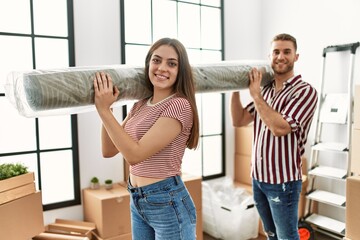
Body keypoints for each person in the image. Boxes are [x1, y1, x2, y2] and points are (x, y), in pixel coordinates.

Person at [93, 38, 200, 240]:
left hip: (168, 202)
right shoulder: (140, 105)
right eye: (156, 60)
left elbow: (135, 154)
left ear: (180, 70)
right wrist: (108, 108)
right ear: (148, 63)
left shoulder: (179, 106)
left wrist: (104, 111)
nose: (162, 68)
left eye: (172, 63)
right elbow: (108, 150)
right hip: (138, 199)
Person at [230, 33, 318, 240]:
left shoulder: (304, 92)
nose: (281, 56)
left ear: (296, 56)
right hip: (258, 178)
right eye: (276, 52)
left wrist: (256, 95)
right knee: (271, 235)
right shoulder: (266, 91)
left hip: (283, 182)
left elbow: (279, 128)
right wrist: (234, 88)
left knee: (287, 237)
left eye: (287, 51)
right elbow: (239, 120)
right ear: (269, 56)